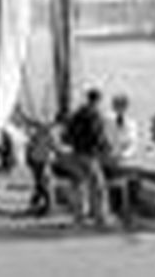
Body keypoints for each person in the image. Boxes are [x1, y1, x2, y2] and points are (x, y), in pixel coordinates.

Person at [65, 88, 113, 226]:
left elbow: (67, 134)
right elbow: (98, 135)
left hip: (76, 153)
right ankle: (101, 217)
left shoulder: (77, 114)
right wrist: (106, 148)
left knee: (80, 185)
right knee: (98, 186)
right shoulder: (95, 115)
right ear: (97, 100)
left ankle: (79, 217)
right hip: (90, 154)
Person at [25, 121, 57, 215]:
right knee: (39, 183)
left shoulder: (49, 137)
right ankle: (38, 205)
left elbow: (53, 148)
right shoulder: (35, 137)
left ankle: (48, 207)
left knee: (43, 184)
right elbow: (30, 147)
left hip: (44, 161)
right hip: (37, 160)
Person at [103, 94, 138, 165]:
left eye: (121, 105)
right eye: (117, 104)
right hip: (104, 158)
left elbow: (133, 144)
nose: (119, 107)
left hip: (121, 160)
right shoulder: (104, 119)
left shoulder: (131, 123)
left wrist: (124, 155)